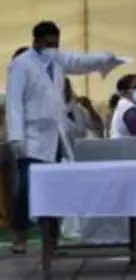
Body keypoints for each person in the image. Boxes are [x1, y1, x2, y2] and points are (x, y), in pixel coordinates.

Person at [6, 20, 124, 254]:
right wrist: (16, 136)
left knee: (55, 189)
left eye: (56, 44)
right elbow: (14, 103)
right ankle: (20, 235)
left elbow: (79, 62)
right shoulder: (21, 65)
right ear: (36, 41)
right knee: (27, 189)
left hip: (55, 135)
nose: (53, 48)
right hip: (31, 137)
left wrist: (105, 58)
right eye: (48, 44)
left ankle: (52, 240)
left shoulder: (57, 60)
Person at [63, 78, 95, 143]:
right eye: (64, 89)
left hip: (81, 149)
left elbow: (90, 130)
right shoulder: (52, 113)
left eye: (68, 88)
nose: (66, 92)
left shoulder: (82, 111)